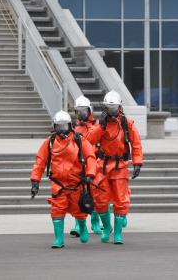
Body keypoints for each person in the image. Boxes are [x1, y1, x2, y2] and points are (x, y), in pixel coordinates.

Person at [30, 111, 97, 248]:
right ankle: (59, 239)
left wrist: (90, 174)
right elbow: (40, 161)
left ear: (70, 126)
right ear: (55, 127)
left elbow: (90, 157)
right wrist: (35, 181)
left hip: (76, 182)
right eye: (59, 127)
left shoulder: (79, 139)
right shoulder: (50, 142)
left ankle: (83, 226)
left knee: (78, 209)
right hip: (58, 183)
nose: (62, 130)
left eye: (64, 126)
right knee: (56, 210)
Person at [86, 90, 143, 244]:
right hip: (102, 166)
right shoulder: (100, 125)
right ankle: (106, 227)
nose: (111, 111)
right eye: (109, 108)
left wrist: (137, 163)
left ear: (119, 107)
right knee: (100, 199)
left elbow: (136, 144)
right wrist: (101, 126)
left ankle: (118, 233)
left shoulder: (126, 124)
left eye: (114, 108)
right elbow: (88, 140)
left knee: (121, 200)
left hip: (120, 167)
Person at [69, 95, 105, 237]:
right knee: (78, 195)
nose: (81, 114)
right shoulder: (73, 129)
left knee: (95, 195)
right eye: (78, 111)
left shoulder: (97, 126)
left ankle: (96, 223)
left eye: (84, 111)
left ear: (89, 110)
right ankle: (79, 224)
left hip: (94, 164)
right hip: (78, 165)